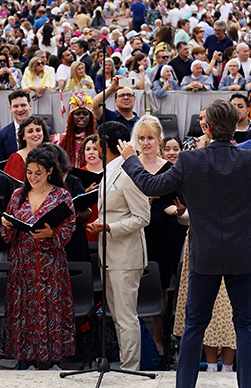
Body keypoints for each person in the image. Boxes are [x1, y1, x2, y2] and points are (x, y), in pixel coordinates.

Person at [120, 98, 251, 388]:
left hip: (205, 256)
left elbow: (151, 186)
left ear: (207, 128)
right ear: (235, 128)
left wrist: (129, 159)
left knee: (194, 327)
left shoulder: (190, 159)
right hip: (241, 256)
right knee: (246, 327)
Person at [0, 145, 76, 370]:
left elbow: (69, 227)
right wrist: (6, 225)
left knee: (50, 309)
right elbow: (7, 237)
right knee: (25, 311)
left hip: (50, 264)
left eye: (38, 173)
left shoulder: (61, 195)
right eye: (30, 172)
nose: (33, 177)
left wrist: (52, 233)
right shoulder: (18, 196)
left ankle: (50, 360)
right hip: (23, 265)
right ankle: (27, 359)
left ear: (50, 171)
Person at [87, 121, 151, 370]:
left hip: (126, 256)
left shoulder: (128, 172)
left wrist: (110, 227)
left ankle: (130, 368)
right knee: (117, 316)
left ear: (106, 144)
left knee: (126, 317)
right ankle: (125, 362)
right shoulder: (109, 170)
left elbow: (142, 217)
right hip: (109, 255)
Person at [132, 115, 183, 357]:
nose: (145, 142)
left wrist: (180, 210)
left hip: (163, 234)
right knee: (135, 285)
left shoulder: (170, 169)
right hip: (135, 233)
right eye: (141, 138)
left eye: (150, 138)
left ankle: (157, 339)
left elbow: (170, 205)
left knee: (160, 285)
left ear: (159, 140)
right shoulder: (131, 166)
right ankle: (138, 337)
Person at [52, 90, 98, 168]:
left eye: (85, 114)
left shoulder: (98, 141)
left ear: (91, 118)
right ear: (71, 118)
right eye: (77, 113)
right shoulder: (58, 140)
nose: (81, 116)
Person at [3, 115, 50, 182]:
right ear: (23, 136)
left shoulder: (52, 153)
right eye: (30, 131)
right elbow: (11, 185)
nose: (35, 134)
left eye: (38, 130)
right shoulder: (17, 158)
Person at [0, 90, 34, 166]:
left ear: (30, 106)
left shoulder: (45, 131)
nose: (20, 110)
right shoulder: (2, 135)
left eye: (23, 105)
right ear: (10, 108)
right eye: (15, 106)